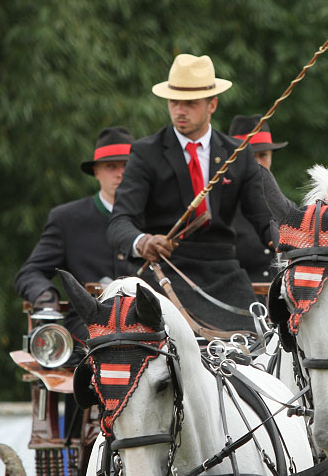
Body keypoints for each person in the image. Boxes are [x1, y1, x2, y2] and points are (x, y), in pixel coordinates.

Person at [108, 53, 274, 330]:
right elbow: (119, 223)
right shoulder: (145, 153)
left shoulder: (239, 154)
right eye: (174, 102)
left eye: (190, 103)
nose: (179, 110)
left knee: (257, 342)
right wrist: (143, 241)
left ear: (212, 104)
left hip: (224, 272)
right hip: (163, 269)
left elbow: (264, 218)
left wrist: (289, 243)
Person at [15, 126, 136, 312]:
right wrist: (45, 295)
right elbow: (31, 273)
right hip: (87, 327)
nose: (120, 173)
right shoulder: (67, 219)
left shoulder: (159, 217)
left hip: (150, 329)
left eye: (126, 166)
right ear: (96, 171)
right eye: (110, 166)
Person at [228, 114, 290, 283]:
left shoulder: (288, 208)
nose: (256, 164)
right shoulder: (222, 210)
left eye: (263, 155)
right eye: (249, 156)